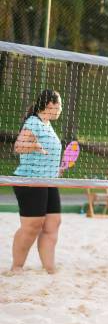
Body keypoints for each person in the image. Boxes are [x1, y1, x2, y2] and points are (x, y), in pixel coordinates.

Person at [12, 89, 63, 274]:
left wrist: (56, 168)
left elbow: (47, 154)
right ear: (50, 104)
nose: (60, 108)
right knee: (32, 226)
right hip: (30, 179)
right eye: (59, 104)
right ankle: (16, 267)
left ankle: (49, 268)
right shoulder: (33, 122)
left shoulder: (47, 124)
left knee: (53, 223)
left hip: (49, 180)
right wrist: (35, 145)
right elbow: (18, 147)